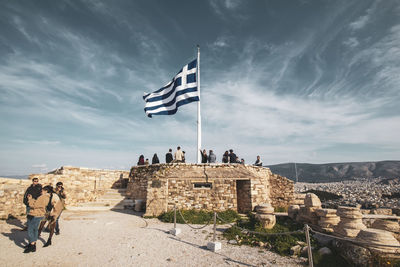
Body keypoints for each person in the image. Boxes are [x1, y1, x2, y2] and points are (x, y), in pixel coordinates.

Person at [24, 185, 51, 253]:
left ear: (46, 191)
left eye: (42, 190)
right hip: (39, 214)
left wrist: (30, 199)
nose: (41, 191)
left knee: (30, 229)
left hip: (36, 214)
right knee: (35, 229)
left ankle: (32, 245)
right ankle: (33, 244)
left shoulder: (43, 197)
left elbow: (34, 205)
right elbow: (38, 204)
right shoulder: (47, 197)